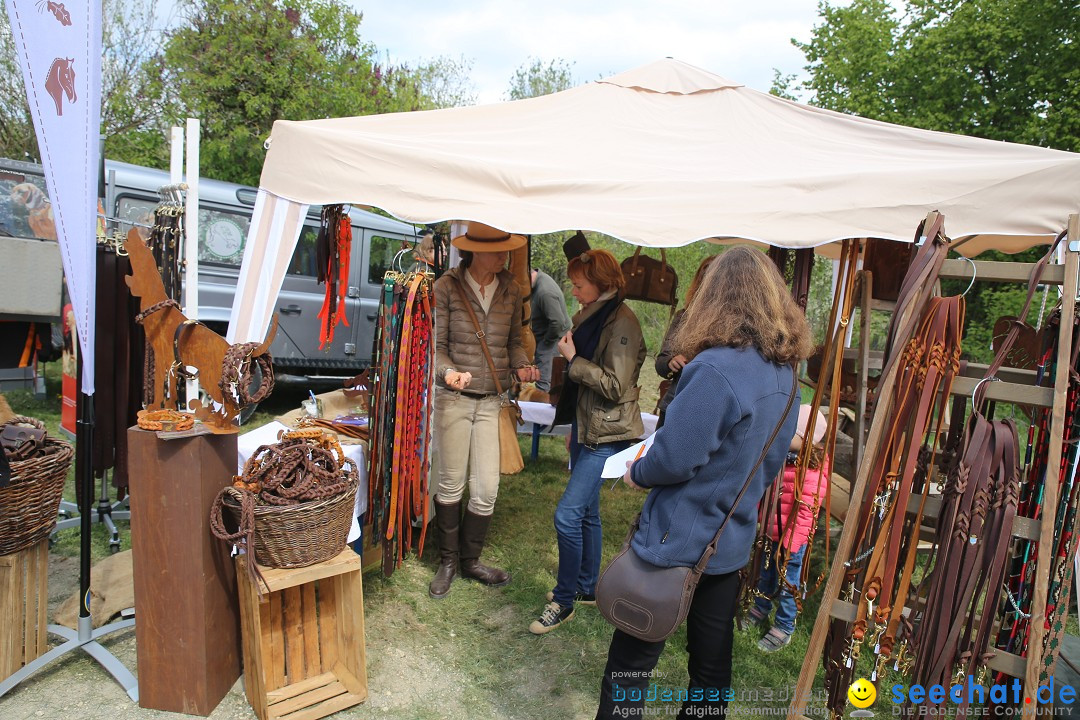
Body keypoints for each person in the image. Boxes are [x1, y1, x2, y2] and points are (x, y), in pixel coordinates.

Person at [595, 246, 812, 719]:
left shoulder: (716, 369)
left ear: (718, 299)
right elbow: (768, 463)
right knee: (711, 671)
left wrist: (637, 471)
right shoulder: (786, 376)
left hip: (677, 541)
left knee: (631, 667)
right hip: (728, 541)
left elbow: (673, 458)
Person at [530, 247, 646, 634]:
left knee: (568, 515)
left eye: (579, 285)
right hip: (589, 429)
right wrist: (575, 430)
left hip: (607, 434)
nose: (573, 291)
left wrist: (573, 359)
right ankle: (584, 588)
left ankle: (564, 602)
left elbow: (614, 386)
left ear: (601, 283)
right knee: (588, 513)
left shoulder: (622, 323)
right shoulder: (595, 315)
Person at [429, 222, 540, 599]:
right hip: (454, 399)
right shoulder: (446, 286)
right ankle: (447, 561)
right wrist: (448, 373)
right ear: (474, 250)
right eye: (498, 250)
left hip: (492, 400)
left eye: (507, 249)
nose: (505, 256)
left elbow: (513, 342)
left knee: (487, 489)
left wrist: (522, 365)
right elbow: (437, 345)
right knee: (450, 483)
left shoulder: (511, 288)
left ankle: (470, 560)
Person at [739, 404, 829, 653]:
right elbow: (763, 490)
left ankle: (784, 625)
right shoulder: (779, 459)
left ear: (806, 440)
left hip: (791, 541)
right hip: (769, 532)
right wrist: (756, 516)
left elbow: (806, 513)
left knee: (789, 583)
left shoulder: (811, 472)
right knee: (764, 573)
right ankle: (760, 605)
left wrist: (790, 543)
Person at [654, 255, 717, 426]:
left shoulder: (735, 326)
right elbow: (661, 362)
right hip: (675, 406)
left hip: (709, 413)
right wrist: (670, 362)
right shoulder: (683, 317)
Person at [530, 268, 572, 393]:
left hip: (552, 341)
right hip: (546, 339)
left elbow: (557, 322)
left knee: (545, 385)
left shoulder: (545, 291)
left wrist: (546, 342)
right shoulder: (537, 284)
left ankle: (543, 410)